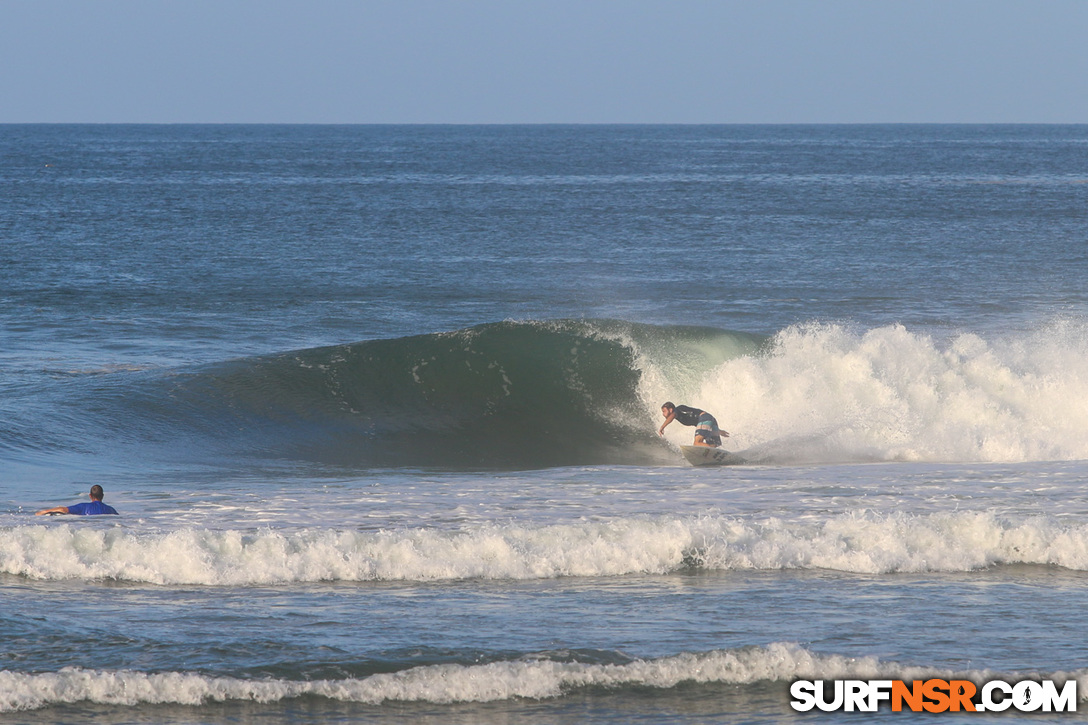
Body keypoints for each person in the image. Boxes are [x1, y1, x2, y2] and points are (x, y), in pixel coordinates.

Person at [658, 402, 729, 448]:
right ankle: (719, 454)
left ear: (670, 410)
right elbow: (702, 425)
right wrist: (718, 431)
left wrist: (662, 427)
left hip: (704, 418)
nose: (663, 414)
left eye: (664, 411)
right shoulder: (680, 415)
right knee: (714, 446)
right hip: (710, 419)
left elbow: (672, 416)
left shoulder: (677, 410)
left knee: (697, 443)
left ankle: (712, 450)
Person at [36, 484, 119, 516]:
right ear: (103, 496)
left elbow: (63, 509)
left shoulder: (84, 507)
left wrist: (45, 511)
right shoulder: (112, 510)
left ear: (90, 496)